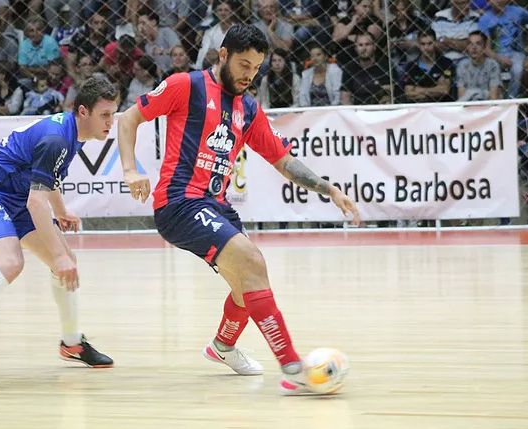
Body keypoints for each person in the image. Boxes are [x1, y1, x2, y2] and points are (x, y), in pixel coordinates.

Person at [117, 24, 360, 395]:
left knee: (248, 286)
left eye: (257, 67)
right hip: (179, 203)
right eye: (244, 64)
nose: (250, 74)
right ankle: (293, 368)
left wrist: (328, 189)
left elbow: (283, 160)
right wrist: (131, 169)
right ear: (223, 55)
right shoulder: (186, 85)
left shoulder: (248, 108)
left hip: (216, 205)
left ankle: (223, 347)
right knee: (252, 262)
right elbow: (129, 118)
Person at [0, 76, 118, 385]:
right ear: (84, 112)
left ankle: (72, 343)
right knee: (12, 262)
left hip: (15, 195)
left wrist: (61, 212)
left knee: (66, 265)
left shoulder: (71, 133)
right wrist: (58, 250)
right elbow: (35, 201)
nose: (111, 122)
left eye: (113, 113)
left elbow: (45, 180)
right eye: (105, 115)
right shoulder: (58, 138)